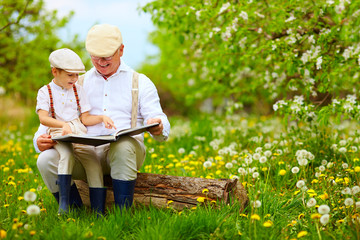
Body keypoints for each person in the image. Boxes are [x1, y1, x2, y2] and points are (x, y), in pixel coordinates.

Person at [33, 24, 170, 211]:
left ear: (121, 50)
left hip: (124, 156)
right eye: (95, 57)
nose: (101, 62)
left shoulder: (140, 82)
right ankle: (75, 213)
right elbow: (53, 118)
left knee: (122, 145)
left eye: (107, 56)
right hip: (83, 154)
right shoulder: (76, 83)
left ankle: (122, 214)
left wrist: (158, 125)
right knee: (45, 159)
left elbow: (157, 116)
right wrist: (39, 141)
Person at [36, 48, 115, 215]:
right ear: (55, 72)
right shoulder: (45, 92)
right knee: (66, 156)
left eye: (77, 75)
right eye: (70, 75)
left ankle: (98, 210)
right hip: (59, 133)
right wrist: (62, 125)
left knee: (92, 161)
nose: (75, 79)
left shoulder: (78, 90)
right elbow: (43, 118)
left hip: (78, 131)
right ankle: (65, 204)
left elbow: (85, 118)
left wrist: (101, 118)